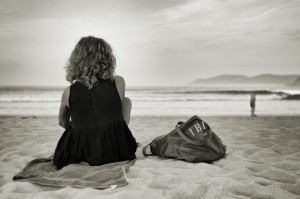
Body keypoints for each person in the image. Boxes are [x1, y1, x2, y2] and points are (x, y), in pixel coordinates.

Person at [53, 36, 137, 170]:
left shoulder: (68, 92)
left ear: (76, 61)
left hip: (81, 152)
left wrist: (84, 132)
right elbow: (113, 110)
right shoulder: (118, 81)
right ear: (107, 59)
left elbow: (62, 122)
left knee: (77, 120)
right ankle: (117, 137)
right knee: (126, 102)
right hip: (117, 150)